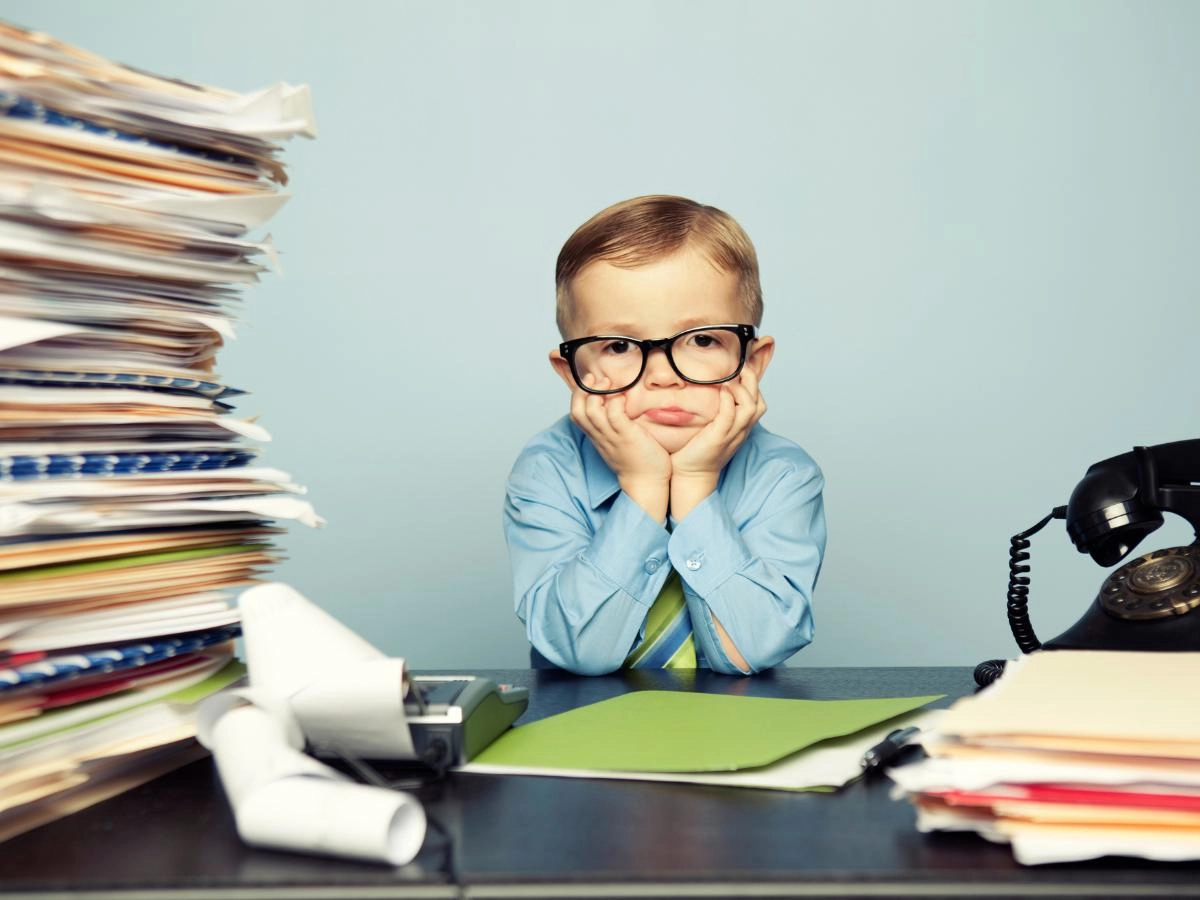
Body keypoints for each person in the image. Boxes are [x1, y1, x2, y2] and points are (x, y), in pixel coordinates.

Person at [503, 195, 826, 675]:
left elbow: (753, 651)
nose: (662, 376)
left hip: (738, 730)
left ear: (752, 362)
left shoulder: (784, 475)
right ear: (573, 373)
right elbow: (579, 653)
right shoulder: (548, 469)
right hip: (586, 734)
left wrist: (694, 485)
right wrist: (644, 488)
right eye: (617, 345)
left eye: (701, 340)